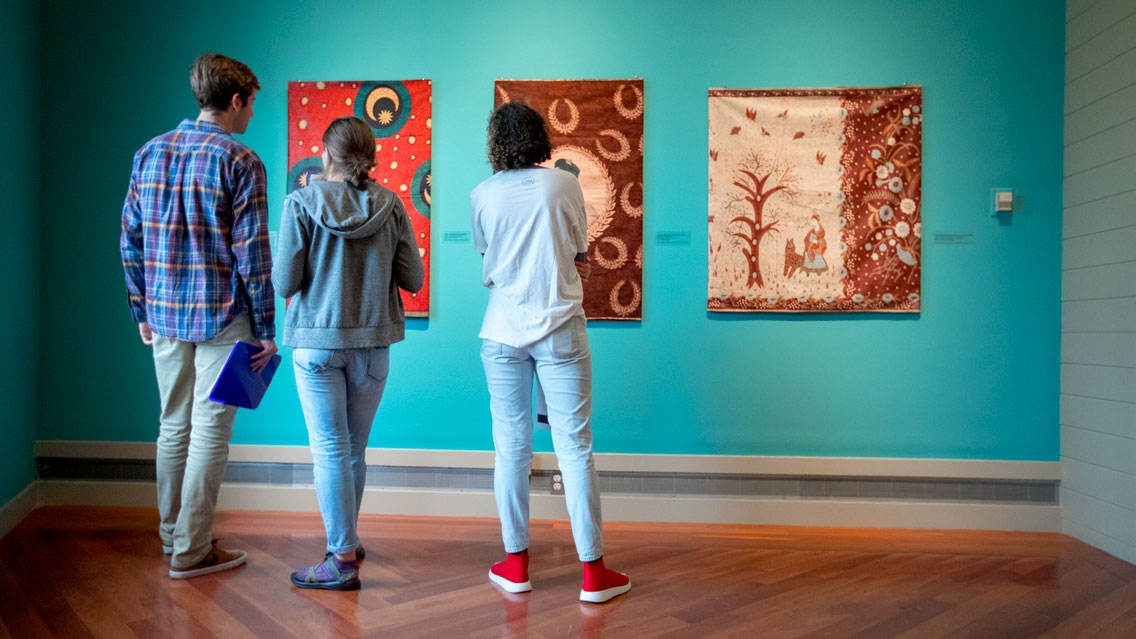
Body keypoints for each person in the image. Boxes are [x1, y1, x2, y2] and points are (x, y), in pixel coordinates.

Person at [120, 52, 276, 579]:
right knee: (210, 433)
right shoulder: (241, 161)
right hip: (222, 317)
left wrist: (140, 306)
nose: (252, 116)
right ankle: (192, 550)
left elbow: (129, 239)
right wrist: (268, 331)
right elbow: (253, 254)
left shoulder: (149, 152)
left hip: (163, 315)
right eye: (252, 105)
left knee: (172, 427)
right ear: (236, 101)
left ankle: (173, 538)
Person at [470, 102, 631, 604]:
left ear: (497, 141)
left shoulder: (481, 193)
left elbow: (488, 255)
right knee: (575, 448)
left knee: (511, 447)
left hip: (501, 330)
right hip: (560, 326)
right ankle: (593, 574)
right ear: (540, 137)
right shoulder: (564, 185)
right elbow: (579, 252)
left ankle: (515, 564)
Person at [272, 116, 425, 591]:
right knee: (353, 450)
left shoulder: (300, 202)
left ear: (326, 154)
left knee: (330, 451)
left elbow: (283, 284)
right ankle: (347, 541)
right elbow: (414, 281)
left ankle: (340, 558)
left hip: (317, 344)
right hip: (373, 347)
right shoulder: (392, 204)